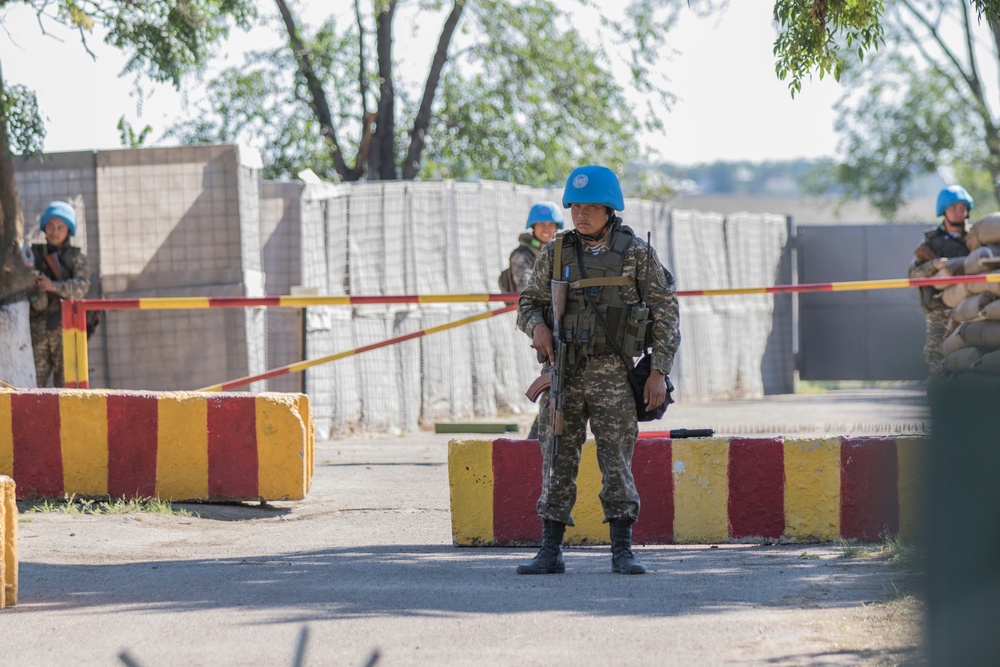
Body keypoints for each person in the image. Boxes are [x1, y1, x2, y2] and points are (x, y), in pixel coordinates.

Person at [515, 165, 681, 575]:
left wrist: (659, 370)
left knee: (616, 461)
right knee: (556, 457)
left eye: (591, 207)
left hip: (612, 371)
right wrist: (536, 326)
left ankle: (622, 550)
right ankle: (550, 550)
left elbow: (665, 312)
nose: (581, 214)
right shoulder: (555, 252)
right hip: (564, 371)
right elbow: (528, 302)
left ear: (609, 209)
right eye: (576, 206)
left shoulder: (635, 253)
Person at [506, 201, 564, 439]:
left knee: (558, 386)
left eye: (551, 225)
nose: (547, 229)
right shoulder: (523, 254)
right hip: (538, 321)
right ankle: (535, 442)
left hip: (561, 320)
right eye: (542, 225)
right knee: (552, 382)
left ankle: (537, 440)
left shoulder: (561, 250)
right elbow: (526, 288)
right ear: (533, 227)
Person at [908, 185, 973, 376]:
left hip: (971, 307)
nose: (959, 212)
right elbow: (913, 276)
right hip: (940, 310)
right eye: (954, 208)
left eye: (963, 208)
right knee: (937, 357)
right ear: (943, 210)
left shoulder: (976, 238)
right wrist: (933, 265)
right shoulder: (930, 243)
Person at [29, 201, 91, 388]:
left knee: (67, 388)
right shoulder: (34, 254)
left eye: (60, 228)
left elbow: (81, 288)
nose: (54, 232)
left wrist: (53, 286)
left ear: (68, 230)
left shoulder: (76, 257)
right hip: (37, 330)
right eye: (51, 226)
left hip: (66, 329)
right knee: (31, 387)